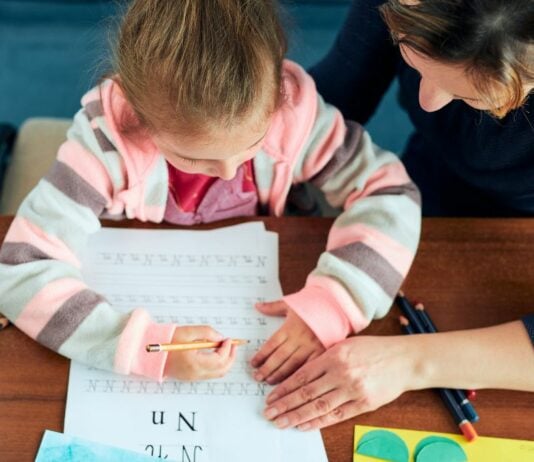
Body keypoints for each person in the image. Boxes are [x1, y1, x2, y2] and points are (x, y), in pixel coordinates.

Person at [0, 0, 421, 383]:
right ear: (138, 117)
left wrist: (335, 301)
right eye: (194, 159)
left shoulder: (293, 116)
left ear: (277, 93)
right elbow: (21, 267)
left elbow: (390, 192)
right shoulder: (104, 142)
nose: (228, 171)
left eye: (252, 144)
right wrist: (148, 348)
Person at [261, 0, 534, 431]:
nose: (426, 102)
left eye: (470, 96)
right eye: (413, 57)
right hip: (413, 195)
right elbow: (333, 102)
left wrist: (411, 363)